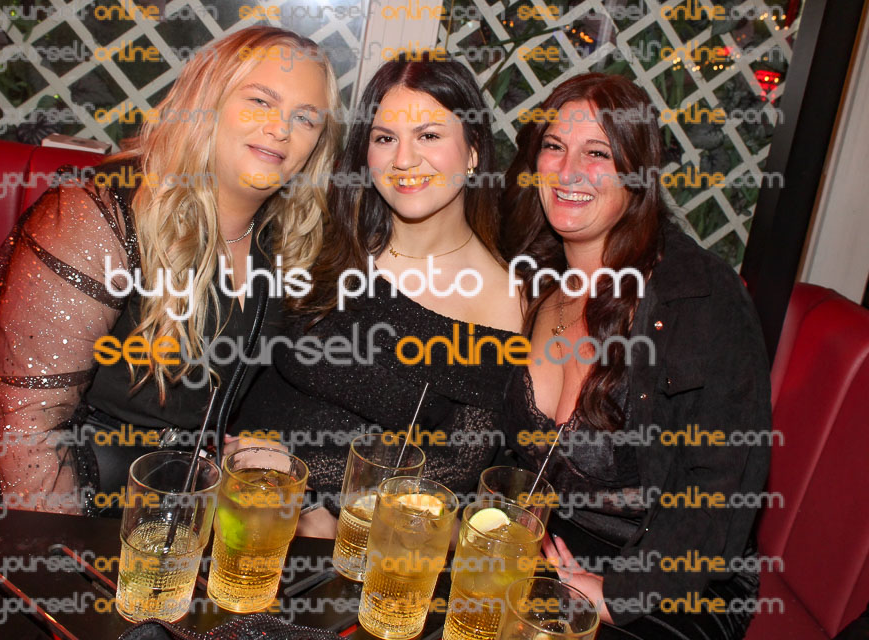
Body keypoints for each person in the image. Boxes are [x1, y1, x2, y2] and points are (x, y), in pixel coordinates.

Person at [0, 26, 342, 516]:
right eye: (260, 101)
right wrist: (65, 556)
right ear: (205, 101)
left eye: (306, 118)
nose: (281, 129)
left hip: (176, 499)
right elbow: (27, 430)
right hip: (73, 494)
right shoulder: (96, 215)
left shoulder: (285, 239)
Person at [500, 73, 771, 638]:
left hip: (675, 576)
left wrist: (622, 593)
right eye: (555, 146)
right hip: (555, 547)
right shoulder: (533, 274)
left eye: (597, 153)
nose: (568, 171)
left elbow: (722, 491)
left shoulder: (700, 297)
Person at [233, 53, 523, 537]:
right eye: (385, 138)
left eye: (429, 136)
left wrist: (301, 478)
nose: (404, 160)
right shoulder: (323, 241)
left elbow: (455, 469)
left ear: (473, 150)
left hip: (350, 538)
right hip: (236, 496)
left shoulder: (501, 301)